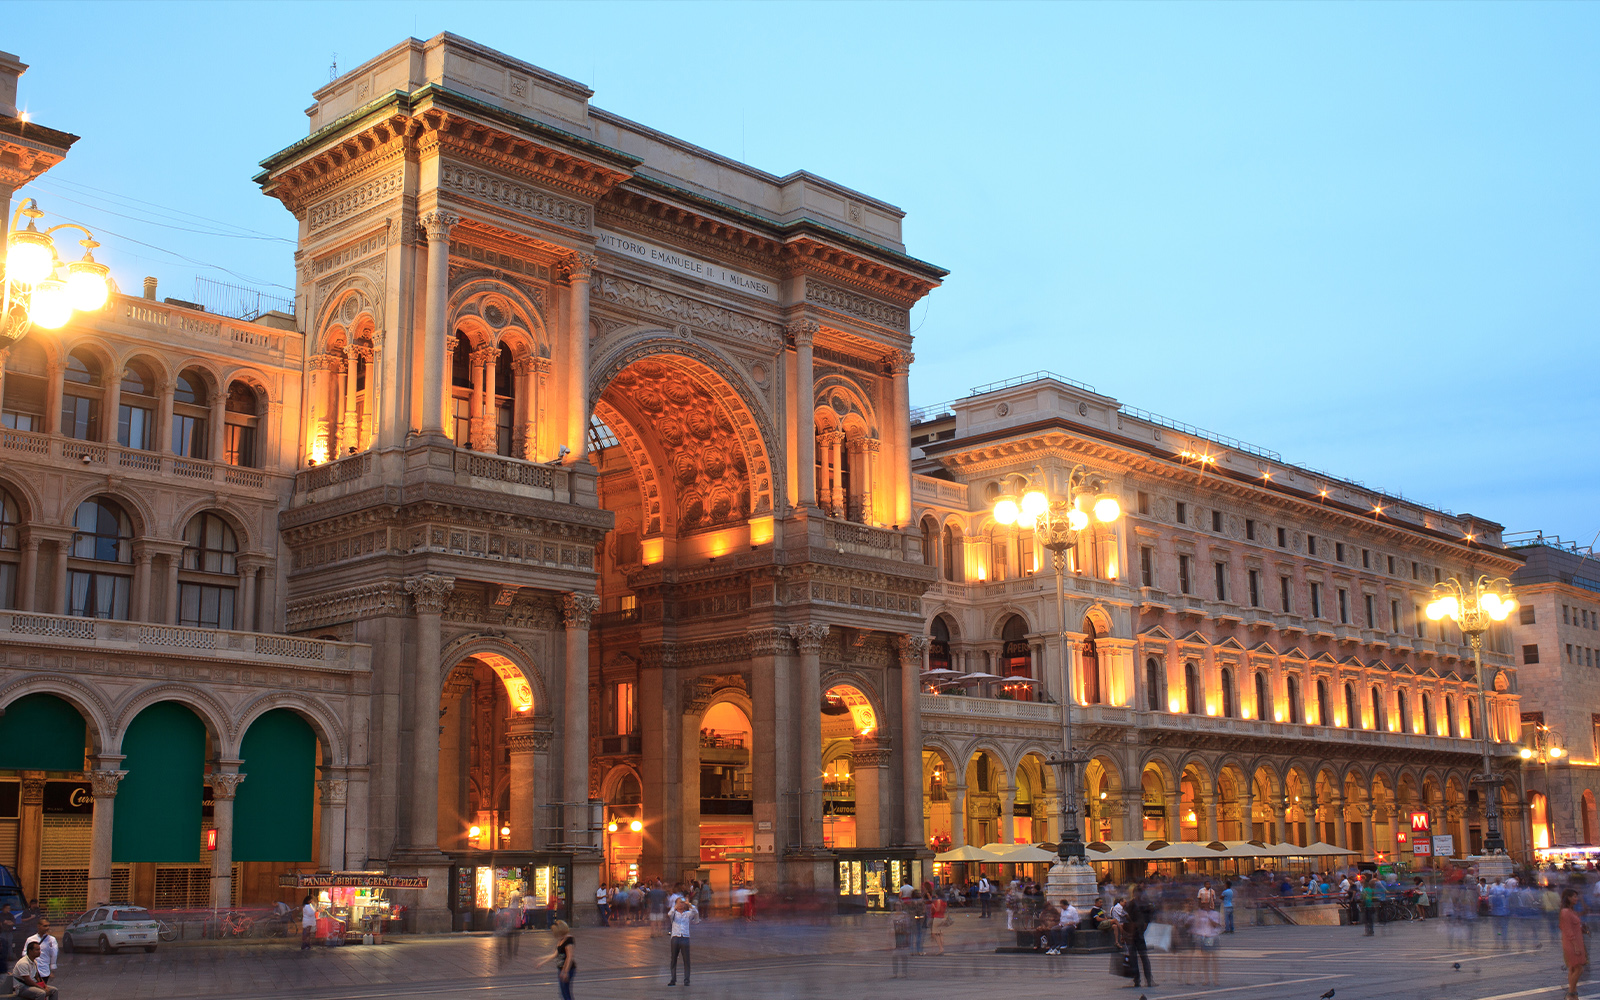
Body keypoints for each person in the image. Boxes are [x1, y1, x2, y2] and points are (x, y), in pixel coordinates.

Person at [534, 919, 577, 1000]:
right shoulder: (561, 939)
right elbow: (555, 954)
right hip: (561, 969)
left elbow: (569, 957)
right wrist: (541, 961)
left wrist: (565, 971)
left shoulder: (569, 941)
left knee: (566, 993)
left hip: (568, 969)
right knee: (564, 993)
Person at [1124, 886, 1156, 989]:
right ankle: (1138, 979)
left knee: (1142, 957)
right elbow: (1126, 918)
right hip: (1133, 934)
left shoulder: (1142, 905)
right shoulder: (1131, 904)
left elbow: (1148, 918)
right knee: (1136, 958)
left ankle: (1147, 979)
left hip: (1138, 933)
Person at [666, 895, 699, 986]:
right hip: (675, 937)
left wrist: (689, 904)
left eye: (682, 903)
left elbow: (695, 911)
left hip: (684, 937)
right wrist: (675, 906)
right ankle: (673, 979)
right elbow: (669, 914)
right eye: (679, 903)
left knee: (686, 959)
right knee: (673, 959)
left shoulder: (687, 914)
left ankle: (687, 979)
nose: (681, 905)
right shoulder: (674, 914)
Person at [1562, 888, 1588, 1000]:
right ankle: (1571, 992)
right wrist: (1576, 946)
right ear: (1568, 898)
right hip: (1572, 943)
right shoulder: (1565, 912)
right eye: (1574, 897)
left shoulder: (1570, 911)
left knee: (1573, 968)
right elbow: (1567, 930)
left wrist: (1581, 929)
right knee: (1579, 968)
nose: (1576, 898)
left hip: (1576, 941)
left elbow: (1584, 912)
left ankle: (1573, 994)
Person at [22, 918, 57, 986]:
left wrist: (52, 969)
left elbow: (54, 954)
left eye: (48, 926)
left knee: (43, 989)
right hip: (32, 970)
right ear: (39, 926)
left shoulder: (51, 940)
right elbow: (24, 953)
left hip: (44, 969)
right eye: (45, 926)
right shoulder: (31, 939)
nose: (47, 928)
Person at [928, 891, 949, 955]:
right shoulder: (944, 901)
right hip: (942, 917)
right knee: (940, 933)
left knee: (935, 933)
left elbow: (937, 910)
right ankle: (942, 946)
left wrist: (933, 906)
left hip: (937, 917)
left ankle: (940, 948)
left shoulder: (939, 901)